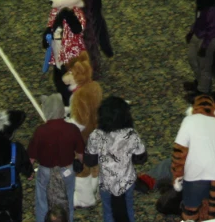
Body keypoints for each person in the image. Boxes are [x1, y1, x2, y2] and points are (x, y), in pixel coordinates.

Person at [85, 97, 147, 222]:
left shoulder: (96, 135)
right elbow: (140, 158)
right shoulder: (131, 134)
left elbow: (90, 161)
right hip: (127, 181)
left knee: (108, 211)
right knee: (128, 209)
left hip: (106, 182)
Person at [27, 94, 85, 222]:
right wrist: (79, 163)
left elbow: (31, 157)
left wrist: (28, 171)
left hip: (46, 172)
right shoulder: (72, 129)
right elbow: (81, 152)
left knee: (43, 204)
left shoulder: (40, 131)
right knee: (68, 202)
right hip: (67, 171)